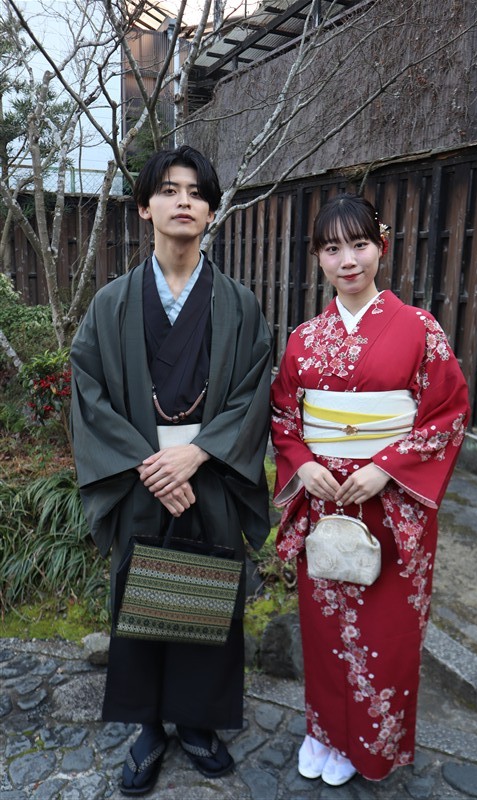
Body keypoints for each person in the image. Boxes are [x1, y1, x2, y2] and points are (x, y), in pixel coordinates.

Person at [70, 146, 272, 796]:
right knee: (141, 599)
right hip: (140, 477)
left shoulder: (238, 305)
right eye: (168, 190)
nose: (183, 201)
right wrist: (146, 463)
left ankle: (197, 722)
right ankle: (149, 727)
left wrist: (199, 451)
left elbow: (253, 392)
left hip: (207, 473)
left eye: (196, 192)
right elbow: (89, 392)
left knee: (206, 597)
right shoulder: (111, 303)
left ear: (211, 211)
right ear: (144, 207)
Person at [270, 194, 470, 785]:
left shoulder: (419, 329)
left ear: (380, 247)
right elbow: (284, 416)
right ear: (318, 258)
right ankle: (323, 731)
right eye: (332, 249)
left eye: (359, 245)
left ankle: (370, 747)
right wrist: (302, 463)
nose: (348, 260)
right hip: (326, 500)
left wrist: (386, 467)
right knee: (324, 626)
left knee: (387, 633)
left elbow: (449, 413)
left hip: (393, 506)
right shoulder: (304, 338)